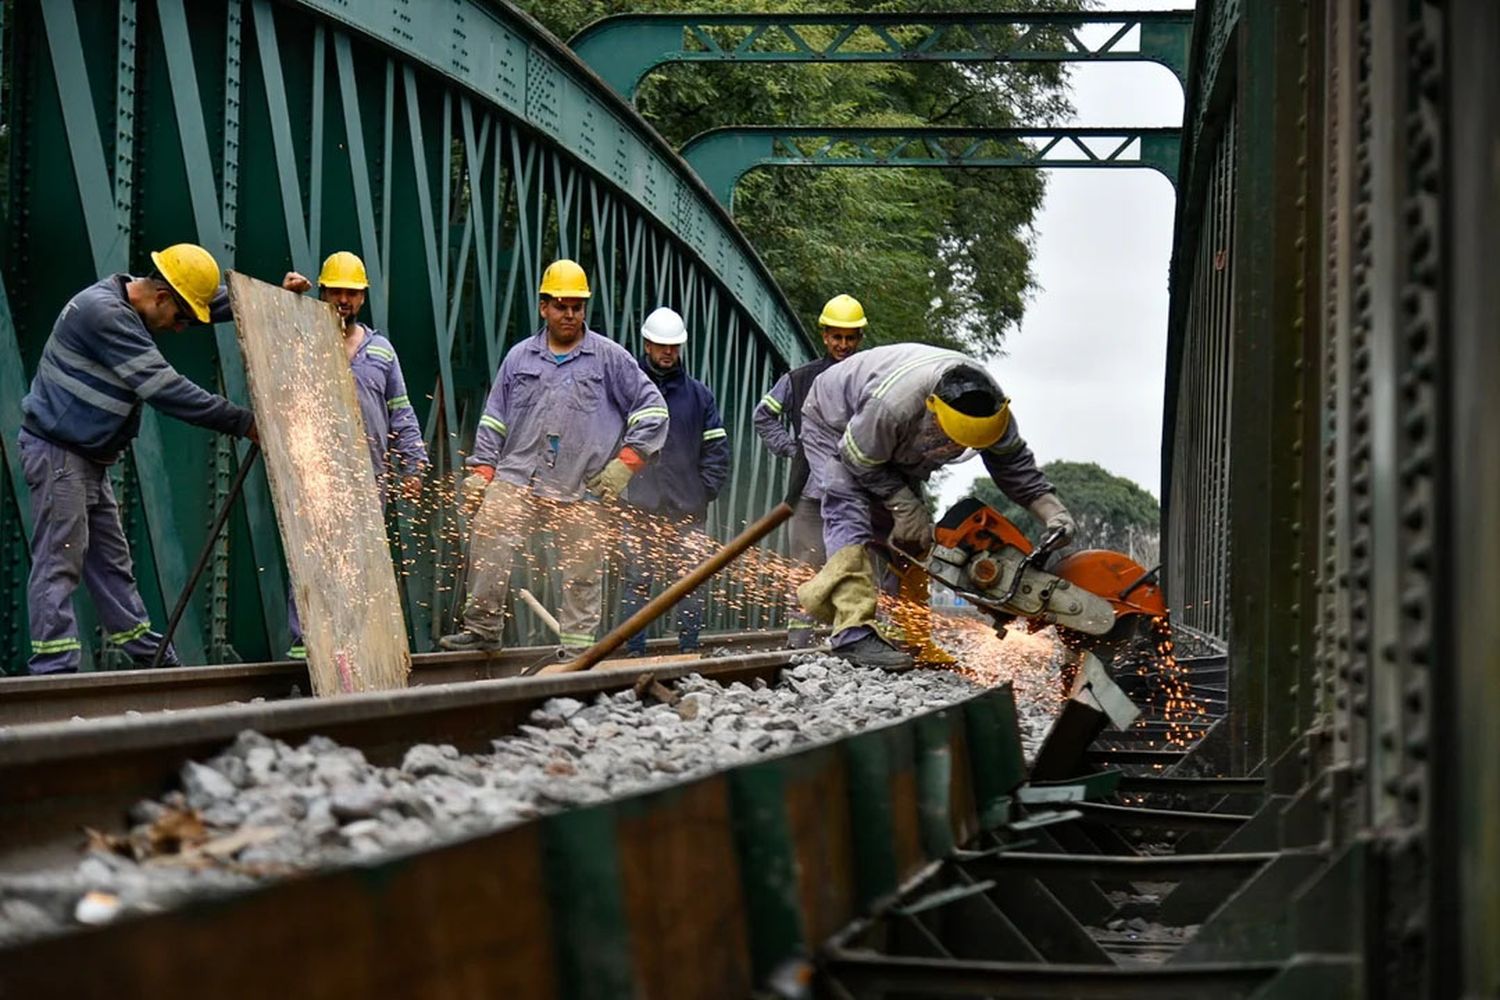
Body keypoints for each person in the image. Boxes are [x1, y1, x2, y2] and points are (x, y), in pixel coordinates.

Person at [18, 243, 259, 674]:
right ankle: (53, 673)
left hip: (88, 457)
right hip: (59, 454)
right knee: (60, 561)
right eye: (182, 318)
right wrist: (243, 422)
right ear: (161, 297)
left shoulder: (143, 299)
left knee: (112, 565)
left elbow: (208, 299)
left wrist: (276, 295)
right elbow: (165, 388)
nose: (182, 328)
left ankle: (152, 659)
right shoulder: (104, 315)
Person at [795, 344, 1077, 670]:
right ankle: (852, 633)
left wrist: (1053, 511)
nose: (954, 448)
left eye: (964, 444)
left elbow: (1015, 468)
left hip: (891, 442)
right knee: (849, 510)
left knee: (911, 541)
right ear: (932, 410)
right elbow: (858, 458)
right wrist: (902, 504)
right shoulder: (891, 406)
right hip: (834, 424)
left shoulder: (995, 414)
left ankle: (909, 637)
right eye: (950, 438)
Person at [440, 259, 669, 652]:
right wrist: (483, 468)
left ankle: (576, 651)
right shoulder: (519, 358)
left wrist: (626, 464)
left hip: (583, 483)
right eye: (560, 305)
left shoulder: (609, 358)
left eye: (576, 306)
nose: (569, 314)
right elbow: (494, 418)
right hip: (520, 476)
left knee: (582, 570)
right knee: (489, 536)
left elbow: (653, 410)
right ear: (543, 307)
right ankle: (482, 630)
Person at [279, 251, 429, 658]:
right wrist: (285, 298)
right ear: (322, 292)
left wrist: (414, 464)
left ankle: (349, 647)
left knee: (359, 562)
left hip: (369, 477)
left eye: (351, 293)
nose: (343, 300)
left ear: (362, 298)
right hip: (314, 472)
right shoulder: (304, 337)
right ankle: (306, 647)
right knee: (311, 556)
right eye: (335, 292)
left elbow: (400, 409)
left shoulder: (381, 351)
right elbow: (269, 349)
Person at [752, 293, 866, 647]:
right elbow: (763, 415)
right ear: (825, 336)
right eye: (837, 337)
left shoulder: (871, 379)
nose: (843, 345)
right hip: (810, 493)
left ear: (859, 338)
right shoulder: (799, 379)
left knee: (854, 568)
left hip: (856, 493)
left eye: (849, 338)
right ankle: (798, 641)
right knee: (803, 567)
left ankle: (851, 636)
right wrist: (792, 448)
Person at [617, 307, 730, 656]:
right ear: (647, 344)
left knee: (690, 583)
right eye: (661, 345)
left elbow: (717, 451)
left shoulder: (699, 396)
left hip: (686, 510)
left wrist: (702, 492)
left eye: (674, 346)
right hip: (638, 508)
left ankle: (689, 652)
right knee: (636, 581)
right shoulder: (627, 390)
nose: (668, 352)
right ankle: (634, 653)